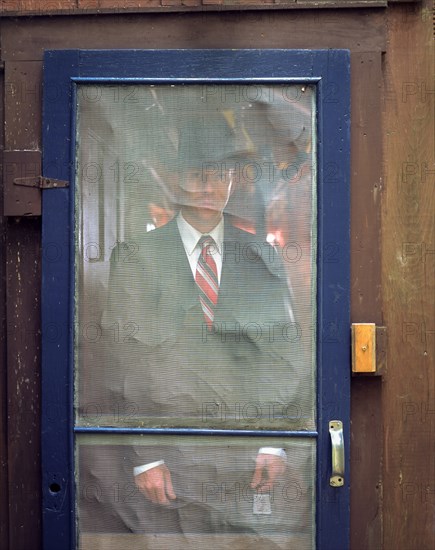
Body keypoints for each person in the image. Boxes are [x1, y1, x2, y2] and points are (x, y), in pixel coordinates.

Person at [80, 115, 313, 545]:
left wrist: (276, 442)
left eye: (220, 173)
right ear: (174, 180)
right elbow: (120, 357)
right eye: (196, 174)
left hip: (247, 454)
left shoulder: (261, 255)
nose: (209, 185)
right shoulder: (135, 256)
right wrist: (144, 456)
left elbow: (285, 354)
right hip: (170, 454)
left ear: (232, 180)